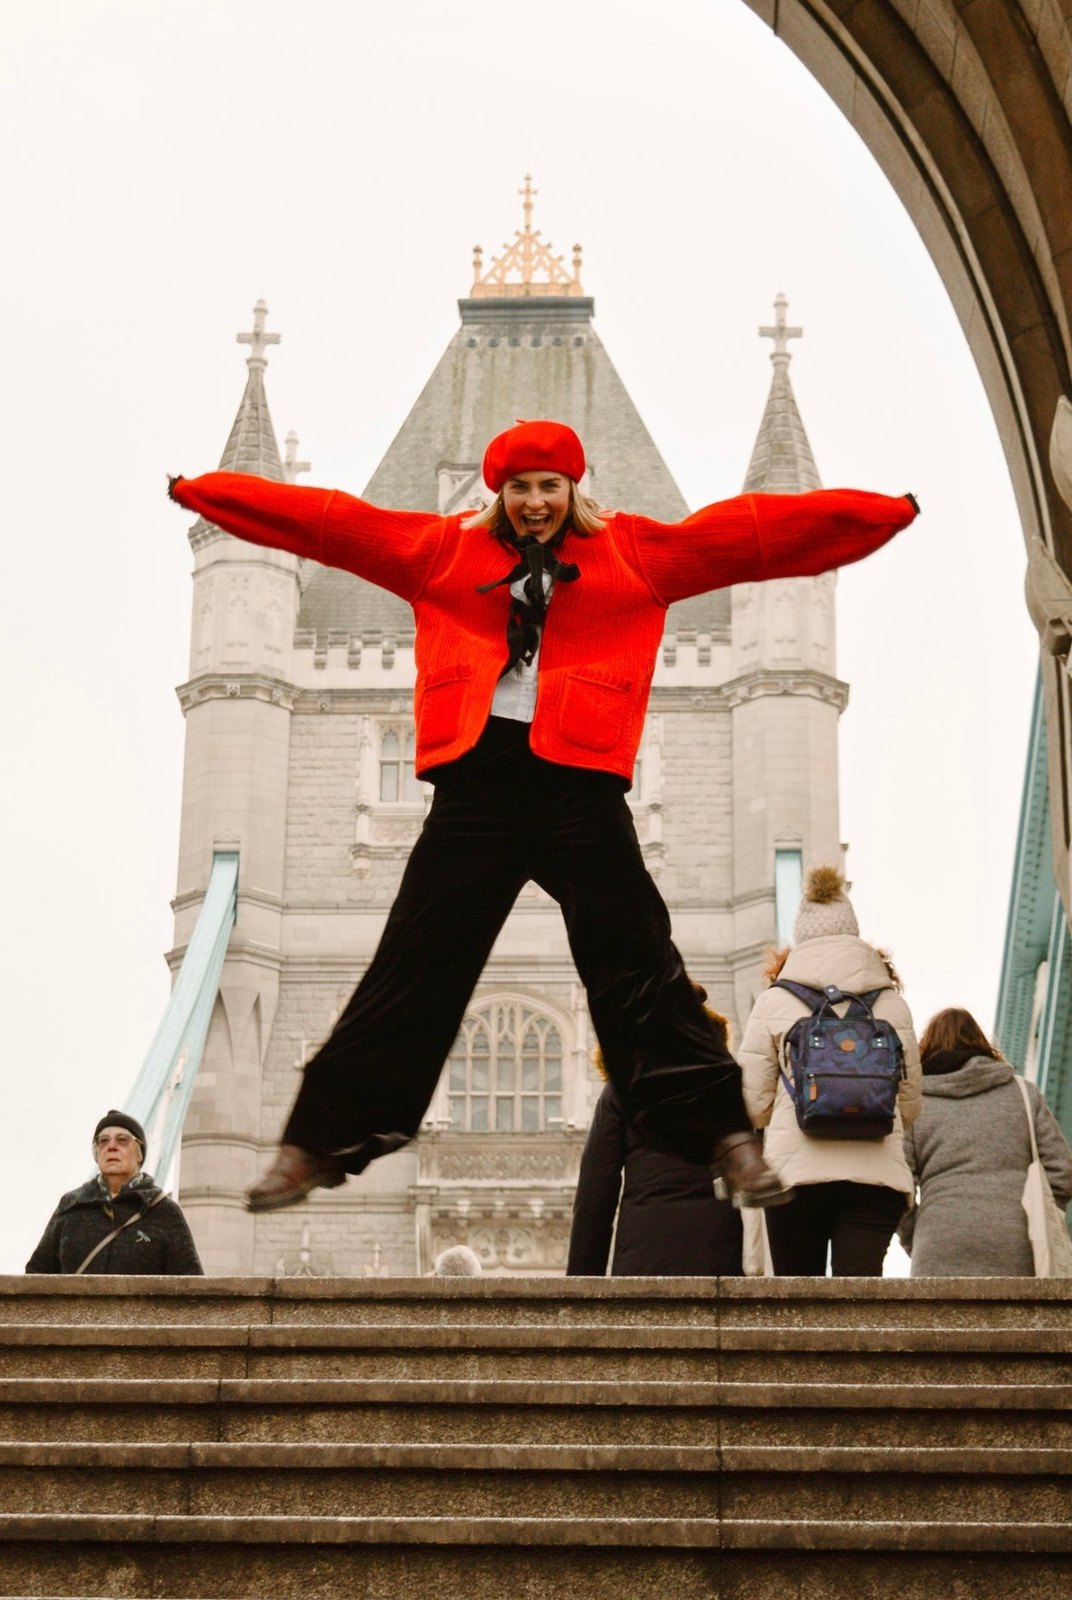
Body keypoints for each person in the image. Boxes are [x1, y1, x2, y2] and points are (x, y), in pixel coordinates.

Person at [169, 419, 918, 1215]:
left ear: (573, 489)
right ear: (501, 492)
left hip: (579, 785)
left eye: (548, 487)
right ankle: (315, 1145)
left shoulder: (634, 552)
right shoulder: (441, 550)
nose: (533, 502)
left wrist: (880, 515)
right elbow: (326, 523)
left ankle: (727, 1139)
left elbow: (755, 537)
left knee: (639, 963)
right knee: (413, 965)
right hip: (478, 784)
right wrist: (207, 496)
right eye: (520, 487)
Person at [738, 866, 922, 1276]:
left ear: (801, 936)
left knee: (799, 1307)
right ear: (854, 932)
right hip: (875, 1176)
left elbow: (753, 1105)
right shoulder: (891, 1004)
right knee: (858, 1306)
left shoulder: (774, 1001)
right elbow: (909, 1106)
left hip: (795, 1177)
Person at [567, 995, 743, 1276]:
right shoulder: (726, 1082)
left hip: (644, 1252)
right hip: (719, 1249)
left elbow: (595, 1192)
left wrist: (581, 1279)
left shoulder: (622, 1090)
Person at [899, 1007, 1072, 1276]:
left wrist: (917, 1234)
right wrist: (1039, 1219)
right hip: (1018, 1238)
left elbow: (900, 1187)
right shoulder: (1022, 1093)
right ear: (981, 1043)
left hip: (939, 1240)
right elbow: (1061, 1170)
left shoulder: (917, 1105)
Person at [26, 1111, 203, 1275]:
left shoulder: (165, 1212)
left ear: (140, 1154)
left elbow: (191, 1286)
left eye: (122, 1140)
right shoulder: (70, 1206)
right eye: (103, 1141)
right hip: (74, 1310)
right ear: (96, 1153)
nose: (111, 1146)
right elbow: (35, 1275)